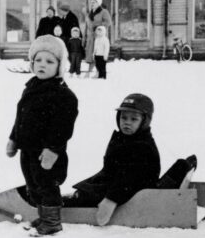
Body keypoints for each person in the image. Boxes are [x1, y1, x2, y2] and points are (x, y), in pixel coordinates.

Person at [6, 35, 79, 237]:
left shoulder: (63, 95)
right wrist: (13, 138)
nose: (42, 65)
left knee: (47, 185)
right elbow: (20, 116)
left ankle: (52, 222)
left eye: (49, 61)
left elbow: (62, 127)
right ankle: (43, 216)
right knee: (33, 185)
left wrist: (53, 150)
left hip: (46, 152)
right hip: (28, 148)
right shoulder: (31, 88)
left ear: (59, 66)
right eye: (38, 60)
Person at [63, 94, 160, 225]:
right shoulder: (123, 138)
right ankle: (67, 198)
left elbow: (132, 179)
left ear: (144, 122)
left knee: (82, 199)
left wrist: (110, 200)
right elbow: (110, 169)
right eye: (123, 117)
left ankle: (53, 206)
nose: (127, 122)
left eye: (134, 119)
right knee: (82, 193)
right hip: (112, 183)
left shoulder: (142, 146)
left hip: (128, 192)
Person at [84, 0, 112, 67]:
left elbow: (108, 22)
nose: (92, 4)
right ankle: (90, 70)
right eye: (91, 2)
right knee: (90, 54)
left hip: (99, 36)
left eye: (94, 2)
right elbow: (87, 25)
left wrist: (98, 26)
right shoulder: (90, 13)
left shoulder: (104, 12)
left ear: (99, 3)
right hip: (91, 37)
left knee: (98, 54)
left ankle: (99, 71)